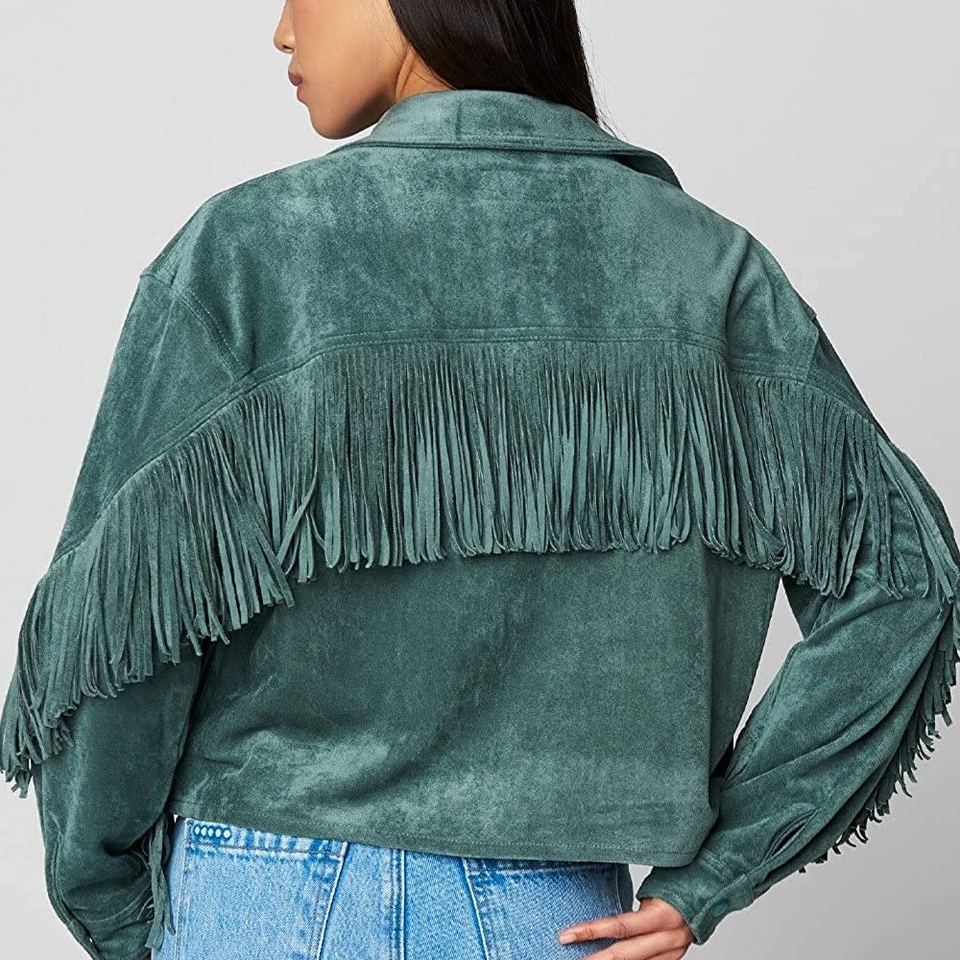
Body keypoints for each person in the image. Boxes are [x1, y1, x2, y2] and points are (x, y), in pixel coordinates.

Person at [2, 2, 957, 959]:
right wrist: (715, 874)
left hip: (262, 893)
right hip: (554, 914)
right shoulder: (708, 271)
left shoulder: (249, 251)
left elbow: (122, 635)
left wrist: (111, 903)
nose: (282, 30)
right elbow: (905, 585)